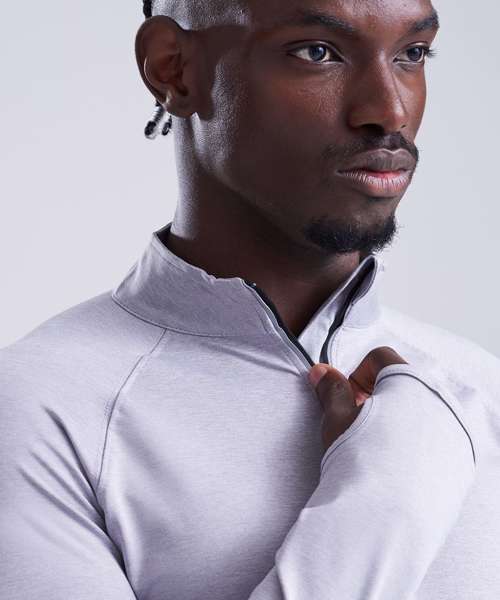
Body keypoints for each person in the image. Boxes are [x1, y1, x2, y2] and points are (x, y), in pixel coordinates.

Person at [1, 1, 499, 599]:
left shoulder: (482, 390)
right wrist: (391, 495)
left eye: (412, 54)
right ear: (173, 68)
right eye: (317, 52)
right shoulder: (39, 410)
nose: (389, 111)